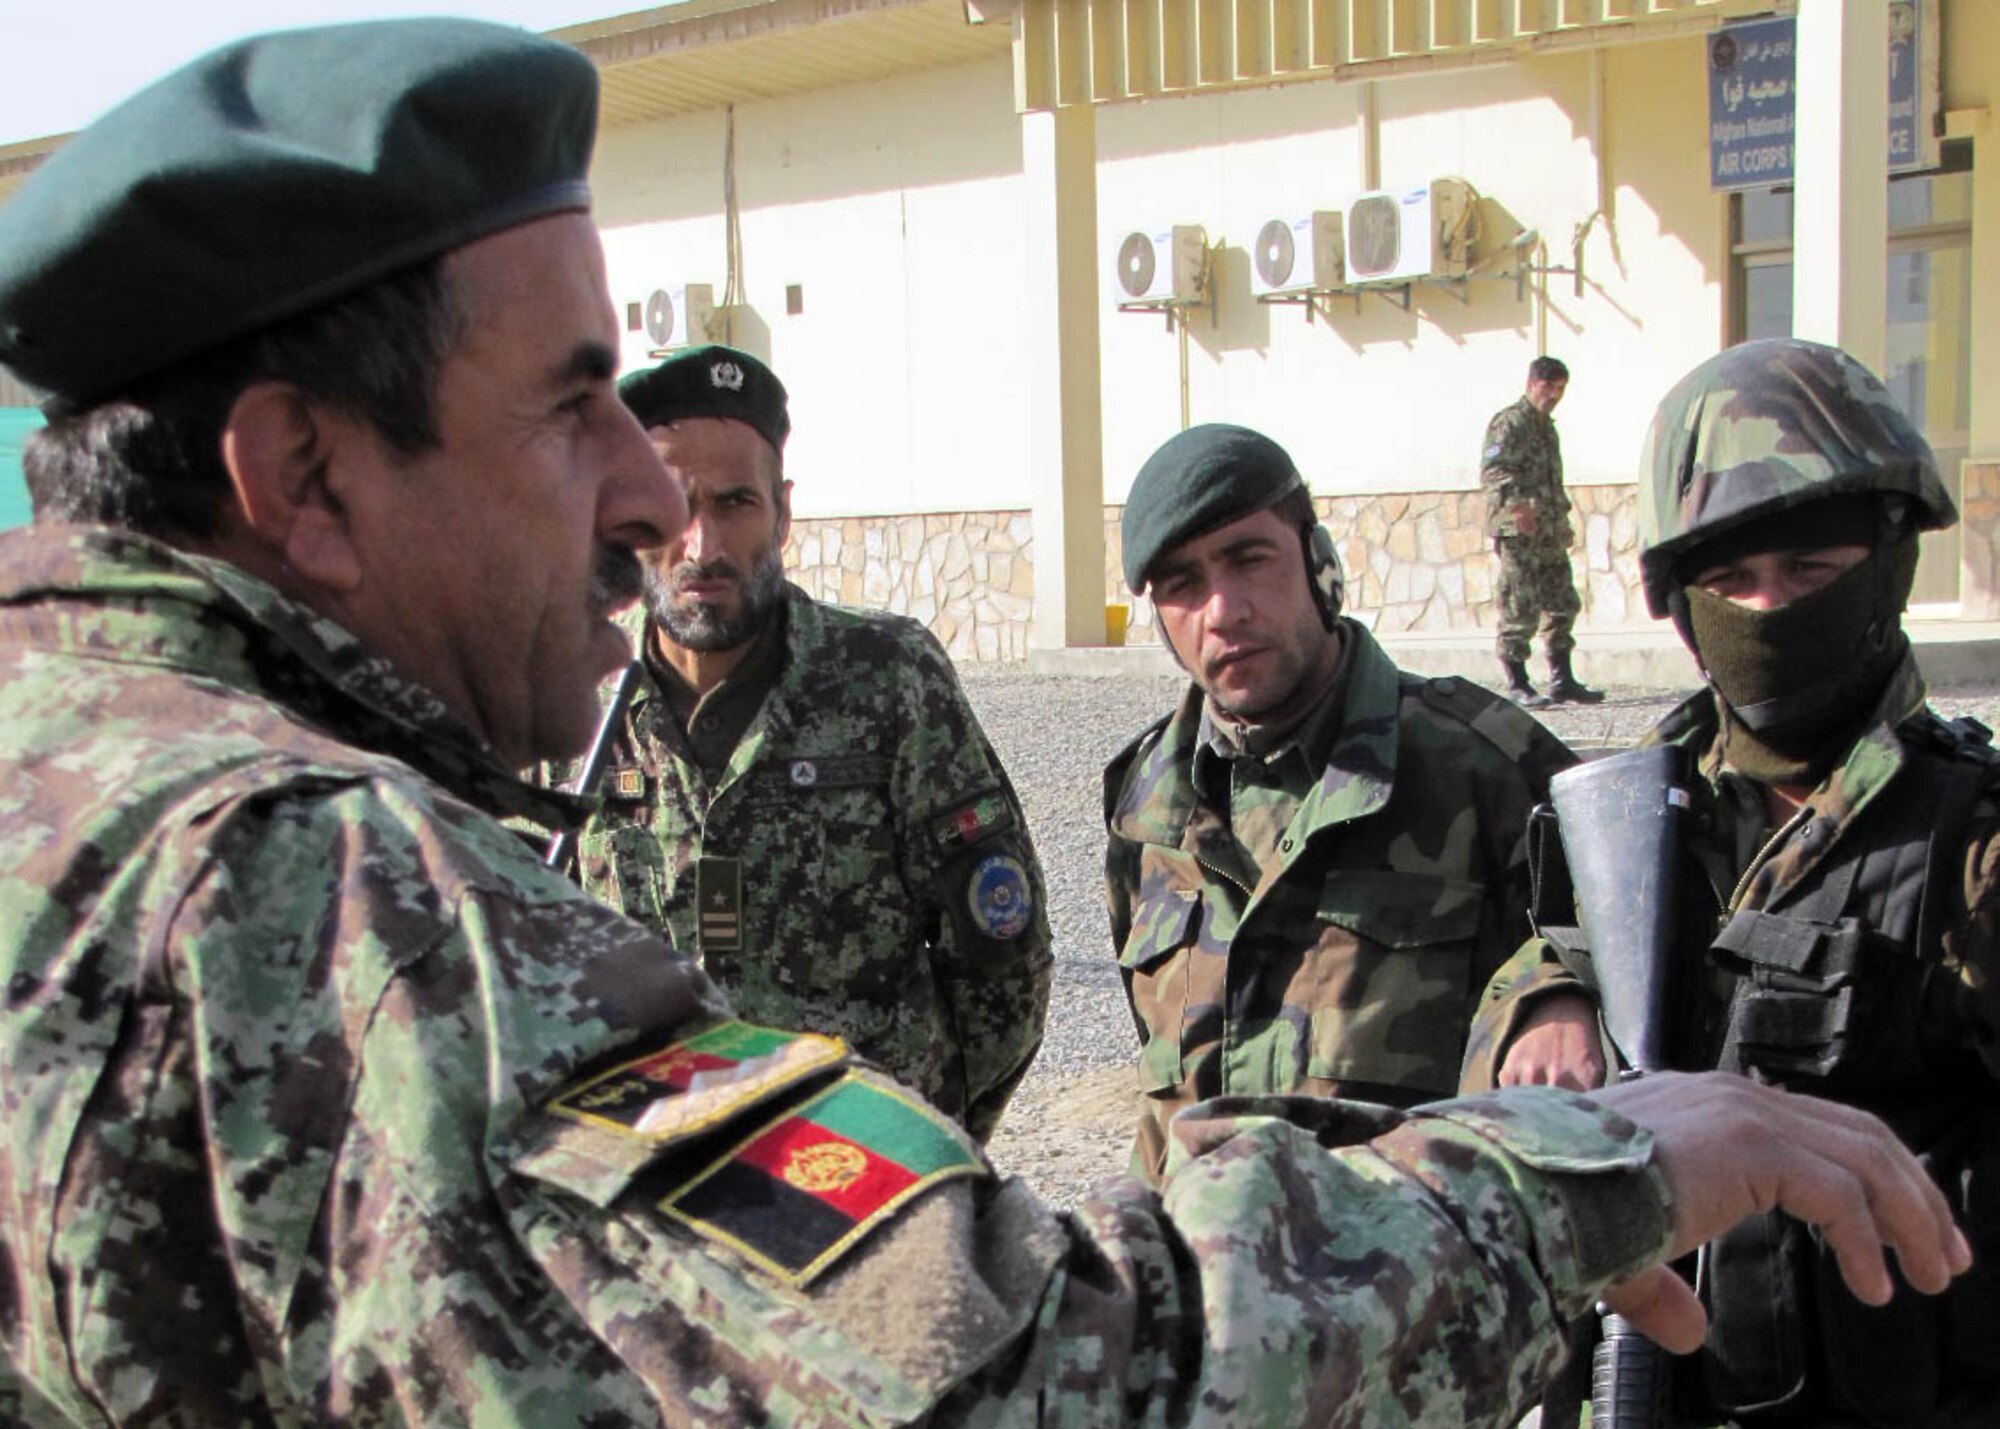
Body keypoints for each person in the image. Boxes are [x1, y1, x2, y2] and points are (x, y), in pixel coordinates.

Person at [0, 26, 1971, 1426]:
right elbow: (1007, 1362)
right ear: (302, 478)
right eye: (567, 402)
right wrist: (1579, 1169)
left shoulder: (61, 771)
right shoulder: (312, 880)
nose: (641, 494)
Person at [1468, 338, 2000, 1428]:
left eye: (1808, 574)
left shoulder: (1971, 838)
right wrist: (1539, 1003)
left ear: (1886, 565)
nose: (1766, 609)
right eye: (1729, 582)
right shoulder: (1627, 807)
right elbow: (1531, 977)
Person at [572, 346, 1052, 1142]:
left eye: (736, 503)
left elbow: (1002, 954)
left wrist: (932, 1136)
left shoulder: (888, 677)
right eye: (677, 506)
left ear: (783, 511)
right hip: (657, 1186)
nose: (704, 546)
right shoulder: (577, 699)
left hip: (859, 1177)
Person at [1104, 423, 1601, 1182]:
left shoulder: (1484, 764)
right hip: (1209, 1282)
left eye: (1249, 558)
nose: (1222, 610)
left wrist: (1561, 992)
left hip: (1418, 1281)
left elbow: (1624, 964)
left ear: (1318, 561)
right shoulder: (1148, 805)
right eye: (1182, 583)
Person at [1480, 355, 1603, 707]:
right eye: (1548, 386)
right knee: (1520, 605)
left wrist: (1561, 523)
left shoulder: (1547, 428)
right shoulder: (1510, 423)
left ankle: (1563, 680)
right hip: (1518, 529)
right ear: (1532, 383)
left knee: (1563, 602)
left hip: (1547, 530)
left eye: (1561, 388)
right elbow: (1494, 471)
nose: (1554, 395)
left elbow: (1553, 482)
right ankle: (1518, 683)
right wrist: (1517, 507)